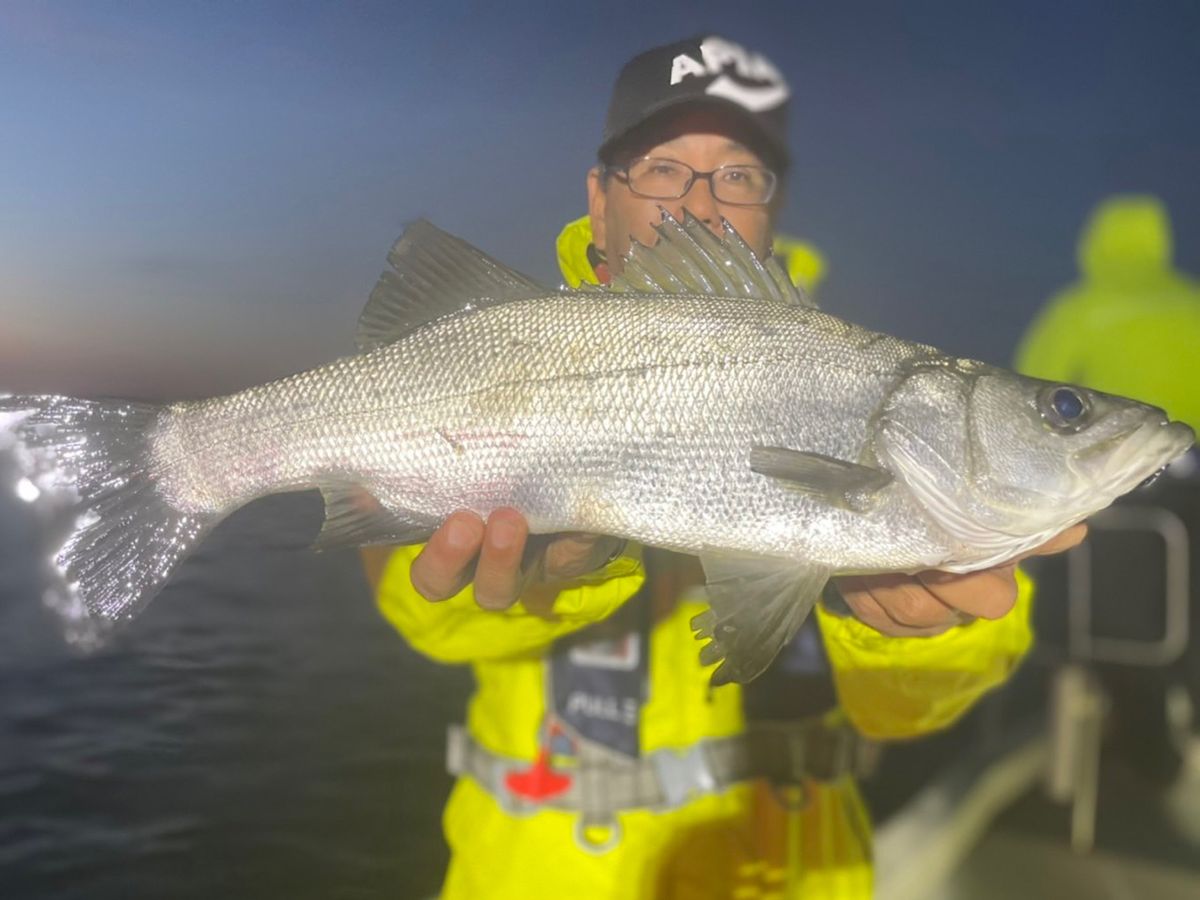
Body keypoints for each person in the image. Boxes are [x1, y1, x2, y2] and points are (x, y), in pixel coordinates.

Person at [364, 35, 1084, 899]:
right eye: (663, 169)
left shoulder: (859, 376)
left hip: (788, 867)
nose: (699, 207)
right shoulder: (500, 346)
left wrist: (920, 626)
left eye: (737, 175)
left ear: (771, 209)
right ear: (599, 200)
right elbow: (419, 611)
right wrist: (556, 576)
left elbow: (915, 704)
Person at [1016, 195, 1200, 785]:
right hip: (1188, 491)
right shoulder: (1190, 303)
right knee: (1185, 609)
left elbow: (1028, 387)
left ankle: (1091, 751)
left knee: (1090, 615)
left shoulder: (1079, 307)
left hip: (1108, 497)